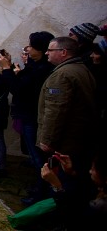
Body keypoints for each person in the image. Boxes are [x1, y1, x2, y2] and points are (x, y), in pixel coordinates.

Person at [0, 32, 55, 202]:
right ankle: (39, 187)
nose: (28, 49)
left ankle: (42, 192)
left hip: (32, 116)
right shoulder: (35, 66)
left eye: (31, 46)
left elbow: (18, 89)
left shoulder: (42, 70)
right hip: (27, 115)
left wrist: (7, 69)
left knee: (39, 158)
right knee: (34, 155)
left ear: (40, 48)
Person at [38, 36, 97, 177]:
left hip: (64, 141)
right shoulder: (80, 68)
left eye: (50, 50)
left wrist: (47, 140)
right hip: (77, 137)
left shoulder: (62, 75)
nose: (47, 53)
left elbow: (56, 110)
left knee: (60, 177)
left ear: (63, 52)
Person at [40, 148, 107, 229]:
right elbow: (87, 188)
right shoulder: (101, 189)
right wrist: (71, 172)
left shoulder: (100, 206)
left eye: (93, 169)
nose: (90, 171)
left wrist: (57, 187)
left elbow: (72, 217)